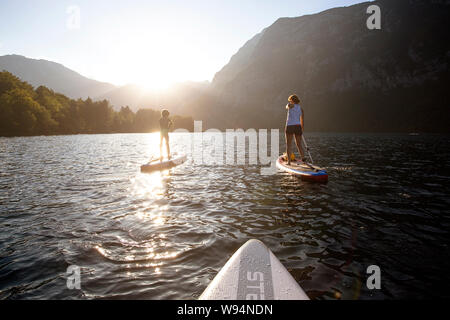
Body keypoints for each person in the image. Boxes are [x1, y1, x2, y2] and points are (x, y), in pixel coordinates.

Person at [285, 94, 306, 165]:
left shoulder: (290, 105)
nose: (289, 102)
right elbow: (302, 119)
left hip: (290, 126)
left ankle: (289, 162)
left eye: (290, 100)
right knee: (299, 144)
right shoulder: (301, 108)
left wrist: (288, 105)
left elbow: (287, 107)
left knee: (289, 144)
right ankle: (303, 159)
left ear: (292, 101)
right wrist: (302, 128)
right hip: (298, 126)